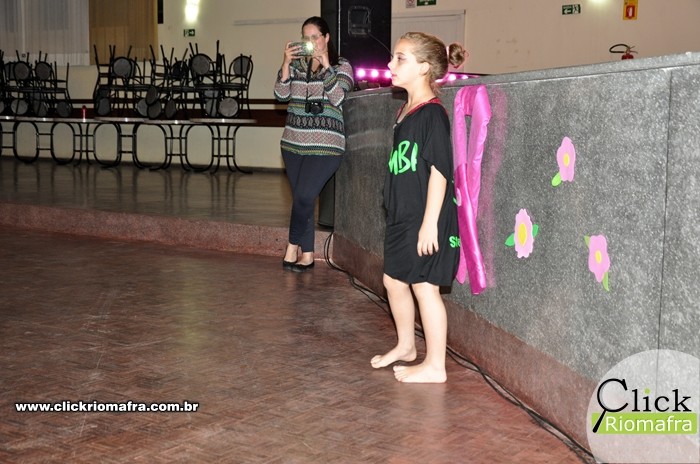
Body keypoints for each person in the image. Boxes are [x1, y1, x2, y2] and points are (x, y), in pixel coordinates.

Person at [371, 32, 467, 383]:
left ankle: (436, 366)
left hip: (425, 216)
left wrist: (429, 224)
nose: (390, 64)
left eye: (400, 58)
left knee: (424, 287)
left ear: (424, 67)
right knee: (394, 281)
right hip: (404, 215)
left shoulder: (432, 115)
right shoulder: (406, 111)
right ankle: (406, 346)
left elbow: (440, 171)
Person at [274, 16, 354, 273]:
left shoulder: (342, 66)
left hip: (326, 145)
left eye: (315, 37)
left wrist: (327, 66)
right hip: (293, 143)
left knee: (305, 196)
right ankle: (307, 254)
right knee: (302, 199)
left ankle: (292, 246)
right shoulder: (297, 65)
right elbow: (281, 95)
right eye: (305, 38)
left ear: (326, 37)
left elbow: (339, 98)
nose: (310, 42)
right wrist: (286, 63)